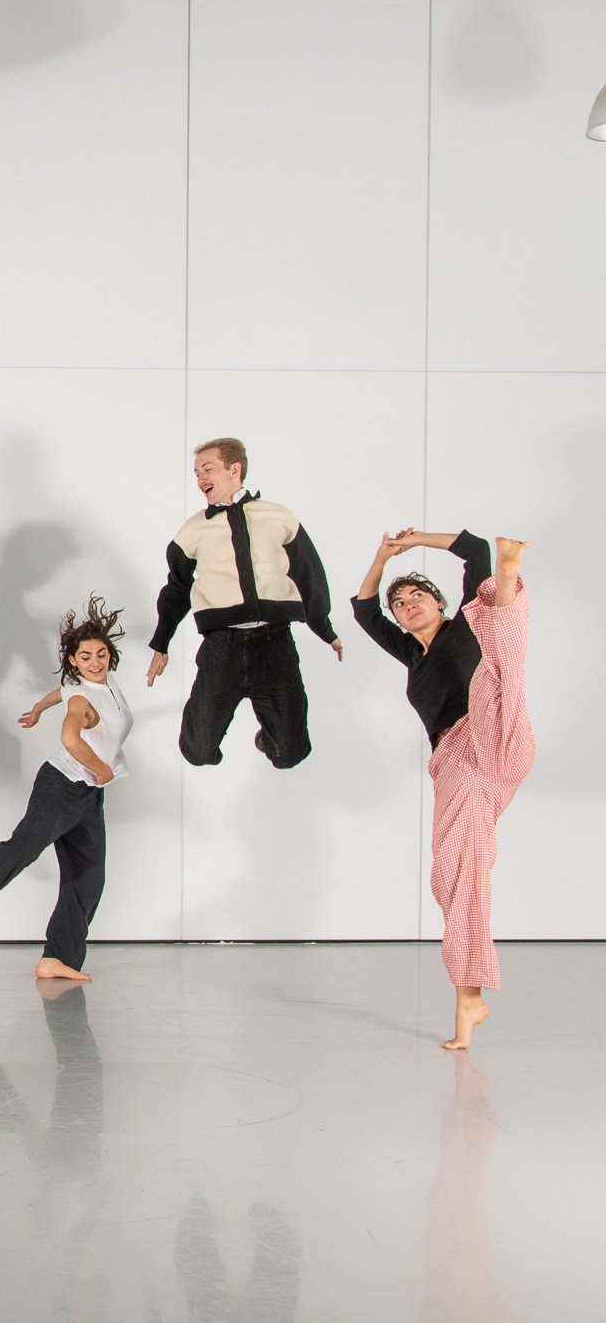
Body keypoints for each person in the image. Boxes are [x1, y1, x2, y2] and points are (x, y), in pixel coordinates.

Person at [352, 530, 534, 1049]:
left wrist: (414, 542)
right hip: (459, 762)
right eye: (401, 603)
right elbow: (365, 612)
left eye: (417, 597)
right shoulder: (412, 655)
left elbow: (472, 546)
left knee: (496, 642)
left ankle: (507, 581)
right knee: (456, 869)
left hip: (494, 728)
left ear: (439, 602)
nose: (407, 607)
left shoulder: (462, 628)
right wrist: (380, 557)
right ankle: (468, 1001)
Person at [0, 596, 131, 982]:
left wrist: (38, 707)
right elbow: (70, 739)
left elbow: (58, 693)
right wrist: (102, 769)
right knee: (24, 847)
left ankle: (57, 958)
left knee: (89, 874)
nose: (96, 662)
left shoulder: (98, 685)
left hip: (87, 794)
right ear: (73, 662)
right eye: (85, 657)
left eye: (100, 654)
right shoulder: (84, 696)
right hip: (61, 786)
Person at [146, 439, 341, 768]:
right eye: (196, 473)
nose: (200, 479)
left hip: (275, 642)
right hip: (223, 647)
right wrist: (161, 643)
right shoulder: (193, 529)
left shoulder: (277, 516)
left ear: (234, 469)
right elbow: (176, 589)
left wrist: (325, 629)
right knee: (198, 751)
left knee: (291, 752)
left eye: (207, 469)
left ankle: (269, 737)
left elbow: (309, 574)